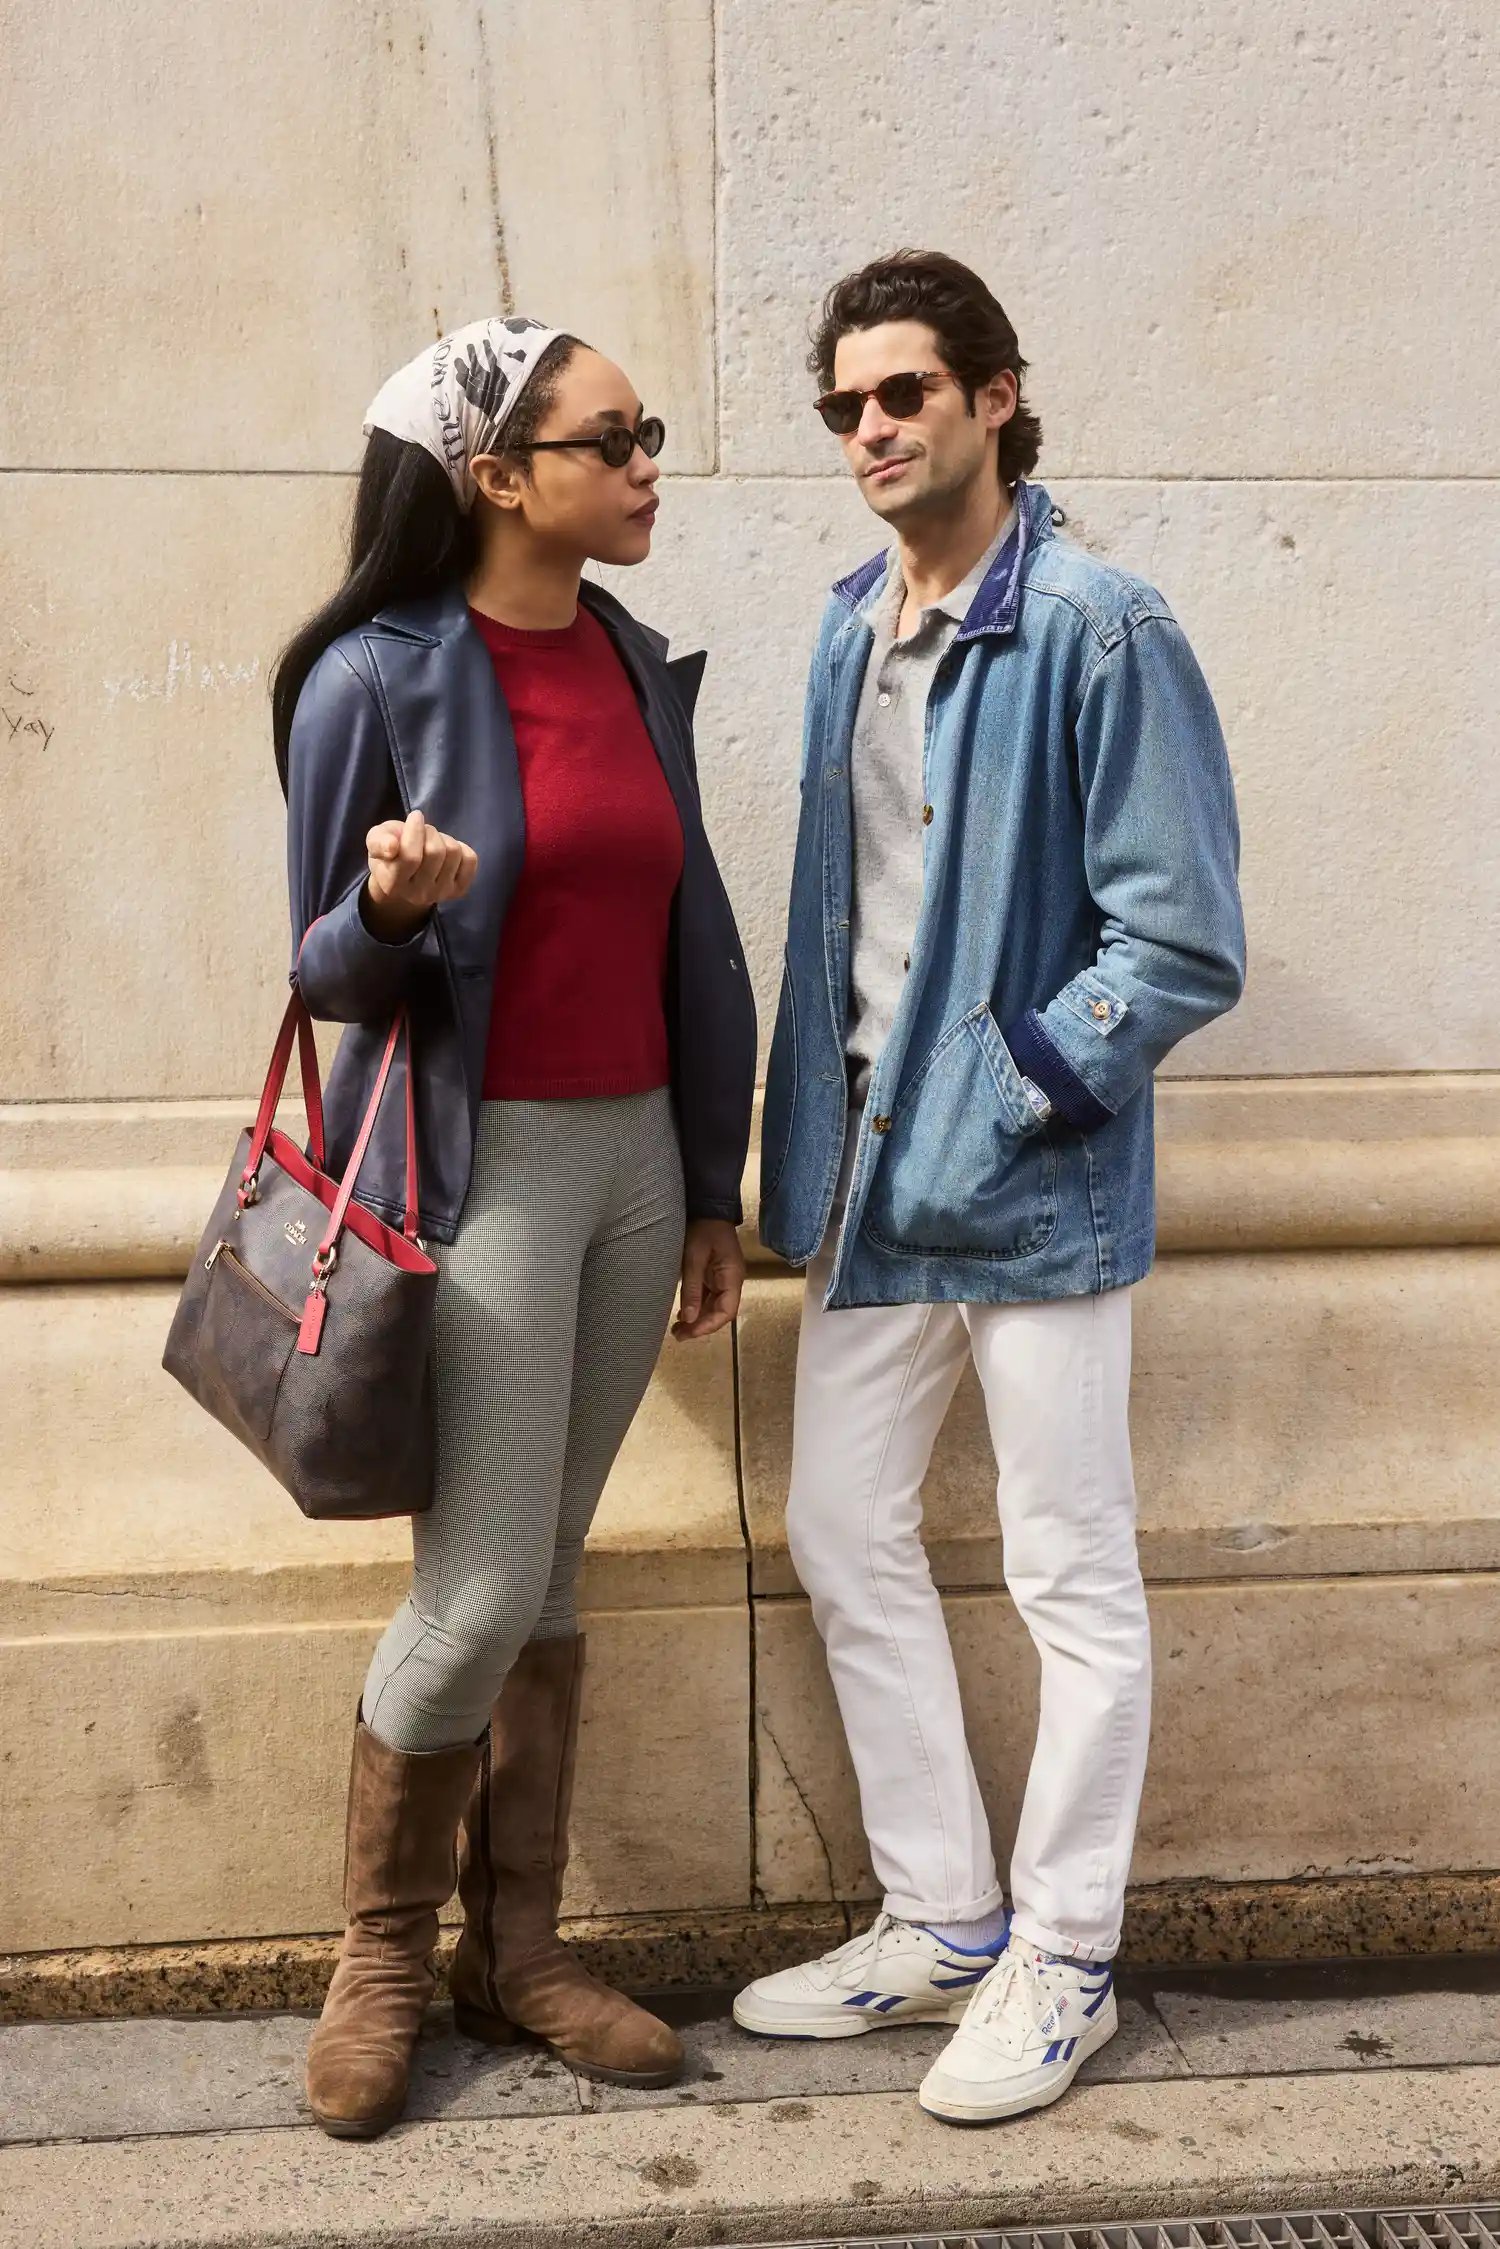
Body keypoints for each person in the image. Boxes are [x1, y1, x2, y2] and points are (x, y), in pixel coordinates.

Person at [734, 252, 1244, 2125]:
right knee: (840, 1524)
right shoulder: (841, 629)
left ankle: (1068, 1952)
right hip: (875, 1180)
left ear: (996, 397)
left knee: (1069, 1574)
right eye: (846, 406)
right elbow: (832, 917)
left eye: (907, 395)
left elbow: (1179, 935)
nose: (873, 429)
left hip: (1031, 1185)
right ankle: (944, 1914)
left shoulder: (1103, 626)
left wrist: (1024, 1078)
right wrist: (797, 1156)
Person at [273, 316, 756, 2139]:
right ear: (498, 477)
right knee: (474, 1587)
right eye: (612, 436)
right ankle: (384, 1958)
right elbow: (319, 969)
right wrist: (388, 905)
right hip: (480, 1179)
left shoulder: (633, 658)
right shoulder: (371, 678)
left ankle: (525, 1948)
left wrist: (714, 1188)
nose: (647, 464)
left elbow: (684, 929)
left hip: (636, 1171)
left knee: (548, 1570)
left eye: (649, 430)